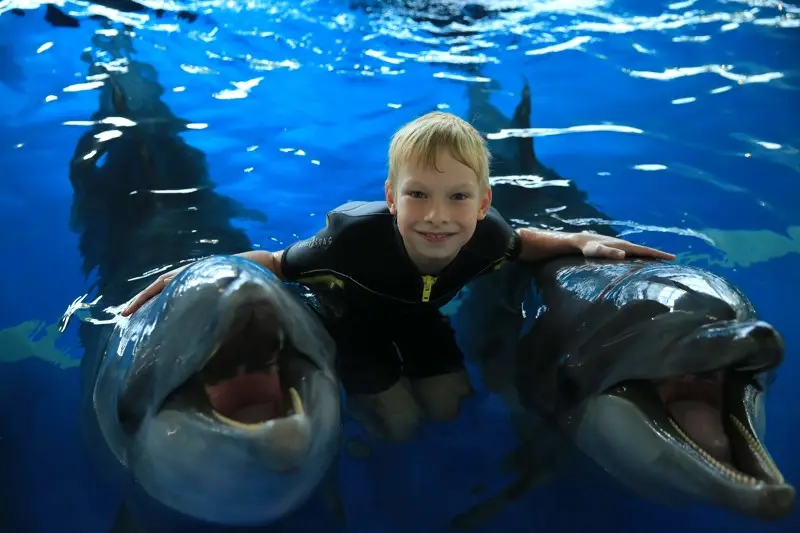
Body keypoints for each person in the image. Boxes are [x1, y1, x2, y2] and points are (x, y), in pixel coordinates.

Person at [121, 111, 675, 441]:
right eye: (417, 195)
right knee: (402, 423)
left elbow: (525, 243)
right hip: (351, 324)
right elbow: (275, 263)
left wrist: (580, 241)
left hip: (418, 318)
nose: (437, 216)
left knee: (450, 407)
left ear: (484, 203)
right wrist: (196, 274)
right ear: (391, 198)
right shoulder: (351, 240)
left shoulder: (488, 236)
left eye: (458, 197)